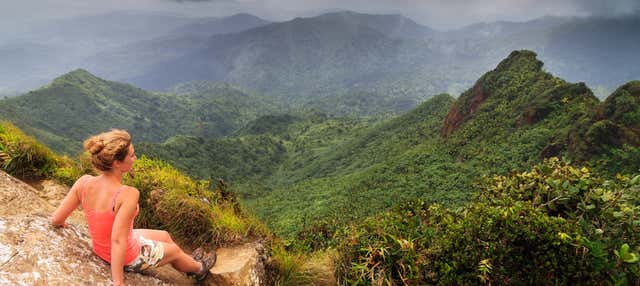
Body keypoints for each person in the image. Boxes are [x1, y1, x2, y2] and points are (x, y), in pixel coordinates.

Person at [50, 129, 216, 285]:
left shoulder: (83, 182)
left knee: (164, 236)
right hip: (127, 256)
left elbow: (56, 219)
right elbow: (117, 240)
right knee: (174, 251)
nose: (135, 158)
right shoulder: (127, 194)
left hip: (101, 247)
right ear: (117, 163)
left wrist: (62, 224)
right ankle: (199, 269)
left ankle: (188, 263)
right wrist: (118, 282)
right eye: (132, 155)